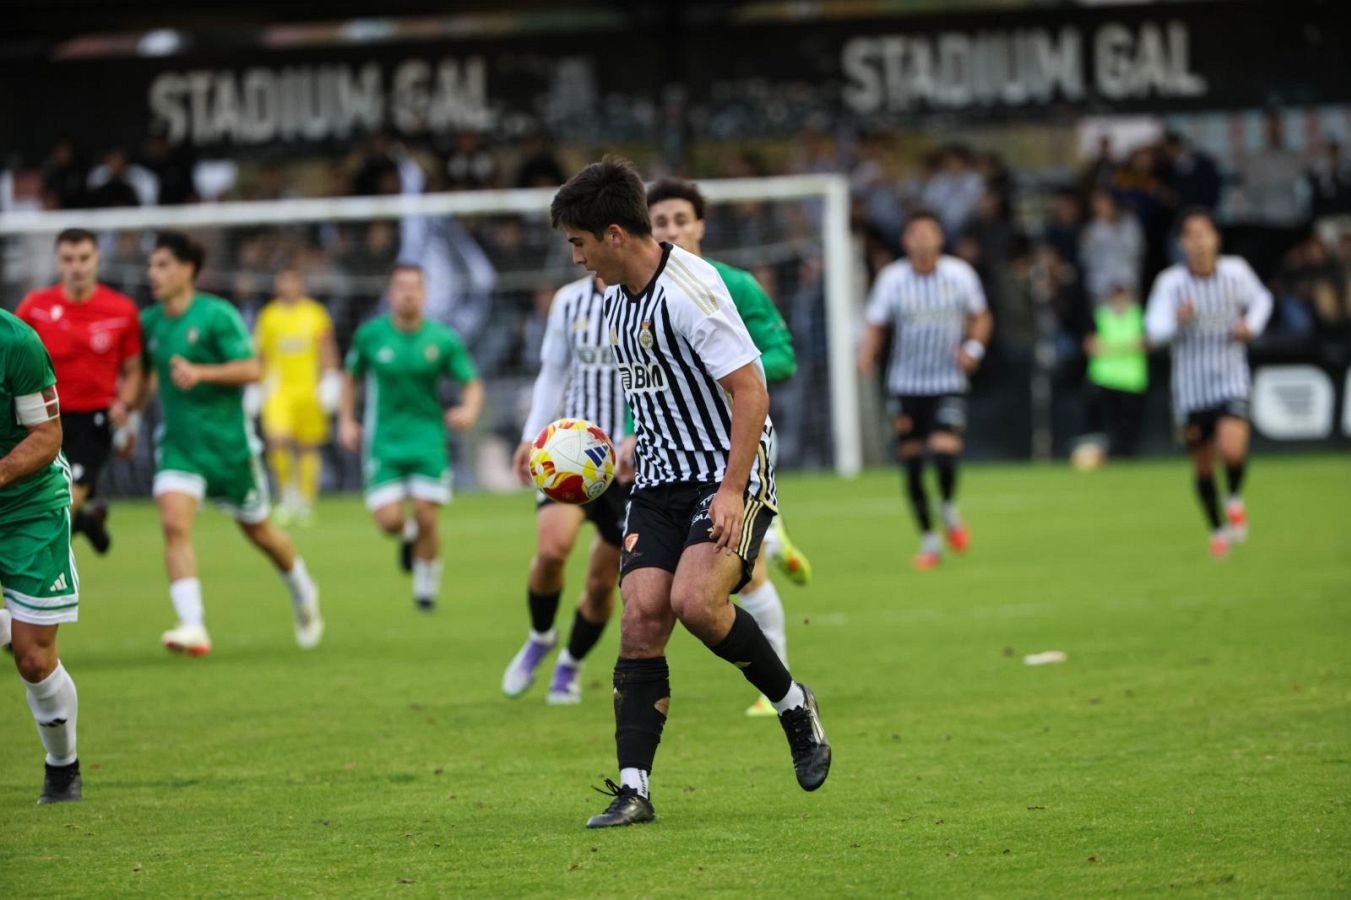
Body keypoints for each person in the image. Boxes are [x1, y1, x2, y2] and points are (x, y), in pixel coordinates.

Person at [550, 156, 831, 829]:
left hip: (724, 474)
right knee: (643, 615)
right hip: (658, 480)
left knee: (696, 603)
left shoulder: (690, 290)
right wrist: (619, 448)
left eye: (579, 244)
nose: (577, 258)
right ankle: (633, 788)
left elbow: (751, 390)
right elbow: (655, 392)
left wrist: (733, 491)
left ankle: (794, 706)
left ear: (614, 234)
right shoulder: (616, 301)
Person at [645, 177, 811, 717]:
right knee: (734, 573)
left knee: (740, 573)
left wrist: (738, 375)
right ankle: (776, 539)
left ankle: (777, 690)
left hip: (738, 443)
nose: (671, 229)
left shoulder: (733, 284)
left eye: (679, 220)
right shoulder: (638, 295)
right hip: (676, 458)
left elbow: (781, 353)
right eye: (660, 221)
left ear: (700, 226)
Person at [138, 232, 323, 655]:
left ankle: (302, 590)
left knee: (260, 532)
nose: (154, 273)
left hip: (229, 449)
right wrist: (126, 416)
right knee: (173, 523)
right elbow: (144, 378)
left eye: (163, 264)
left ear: (188, 269)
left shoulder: (217, 315)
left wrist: (203, 373)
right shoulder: (148, 322)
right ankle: (193, 625)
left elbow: (253, 368)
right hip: (180, 446)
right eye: (152, 265)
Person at [502, 274, 632, 704]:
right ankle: (540, 636)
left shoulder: (649, 295)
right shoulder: (568, 300)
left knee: (601, 585)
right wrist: (530, 434)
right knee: (553, 550)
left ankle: (570, 665)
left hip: (629, 461)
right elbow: (553, 371)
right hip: (570, 451)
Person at [338, 264, 484, 612]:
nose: (407, 293)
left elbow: (472, 382)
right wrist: (346, 420)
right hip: (383, 439)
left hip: (427, 437)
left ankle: (426, 587)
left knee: (426, 514)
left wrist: (468, 411)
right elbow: (350, 377)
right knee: (389, 521)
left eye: (414, 287)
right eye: (401, 287)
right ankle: (406, 537)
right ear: (391, 293)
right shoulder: (371, 335)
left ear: (424, 293)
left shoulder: (441, 339)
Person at [857, 210, 993, 571]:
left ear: (939, 238)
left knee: (945, 450)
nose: (920, 239)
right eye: (913, 233)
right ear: (905, 241)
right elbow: (876, 322)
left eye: (927, 233)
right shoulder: (892, 279)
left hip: (948, 381)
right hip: (905, 385)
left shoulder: (960, 275)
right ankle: (930, 542)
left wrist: (974, 350)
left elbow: (981, 316)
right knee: (913, 464)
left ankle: (947, 506)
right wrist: (867, 353)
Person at [1145, 208, 1273, 559]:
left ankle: (1233, 497)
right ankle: (1217, 529)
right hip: (1190, 388)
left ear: (1216, 238)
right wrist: (1176, 321)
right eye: (1192, 236)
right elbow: (1153, 331)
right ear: (1182, 243)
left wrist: (1251, 325)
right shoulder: (1171, 284)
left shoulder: (1236, 272)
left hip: (1230, 378)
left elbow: (1262, 300)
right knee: (1202, 464)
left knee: (1232, 449)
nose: (1199, 242)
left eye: (1205, 234)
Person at [17, 228, 143, 555]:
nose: (77, 266)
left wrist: (125, 406)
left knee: (62, 505)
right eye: (68, 259)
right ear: (58, 262)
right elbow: (11, 359)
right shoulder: (35, 307)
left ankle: (43, 583)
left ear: (97, 259)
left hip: (95, 419)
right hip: (43, 418)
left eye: (84, 258)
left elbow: (133, 372)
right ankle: (89, 525)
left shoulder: (121, 309)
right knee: (43, 502)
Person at [0, 309, 83, 803]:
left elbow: (47, 435)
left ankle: (62, 765)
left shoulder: (17, 344)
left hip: (29, 506)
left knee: (33, 659)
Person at [254, 269, 341, 526]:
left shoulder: (315, 313)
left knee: (308, 445)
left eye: (293, 281)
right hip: (279, 390)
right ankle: (287, 494)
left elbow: (327, 348)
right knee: (277, 440)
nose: (288, 286)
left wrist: (331, 377)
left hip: (309, 389)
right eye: (283, 282)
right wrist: (256, 385)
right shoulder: (268, 316)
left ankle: (305, 500)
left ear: (300, 284)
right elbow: (262, 352)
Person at [1083, 284, 1148, 459]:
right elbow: (1091, 346)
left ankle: (1128, 456)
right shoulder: (1100, 316)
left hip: (1131, 379)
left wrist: (1110, 348)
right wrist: (1127, 347)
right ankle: (1110, 456)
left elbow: (1146, 343)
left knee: (1130, 425)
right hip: (1106, 378)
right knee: (1109, 424)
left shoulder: (1138, 315)